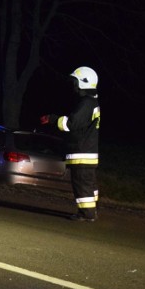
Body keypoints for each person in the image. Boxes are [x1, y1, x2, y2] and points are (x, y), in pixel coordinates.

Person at [41, 66, 101, 221]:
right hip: (87, 152)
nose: (73, 86)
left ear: (83, 83)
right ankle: (92, 211)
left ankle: (86, 214)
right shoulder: (91, 102)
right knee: (89, 184)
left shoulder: (87, 103)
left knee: (81, 184)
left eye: (75, 82)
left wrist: (53, 119)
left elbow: (71, 124)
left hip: (82, 152)